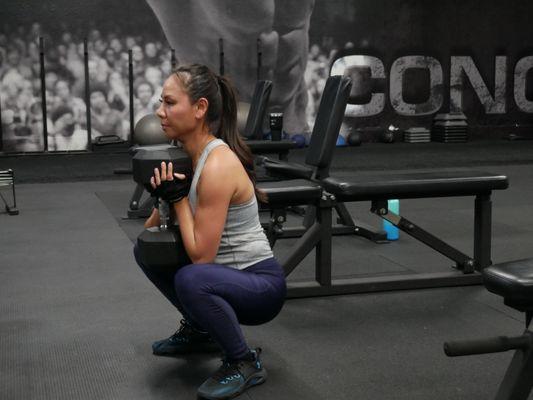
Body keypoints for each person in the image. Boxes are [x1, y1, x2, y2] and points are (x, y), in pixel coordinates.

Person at [133, 64, 286, 400]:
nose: (160, 111)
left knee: (192, 278)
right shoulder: (187, 155)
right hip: (225, 277)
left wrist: (178, 201)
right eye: (161, 102)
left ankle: (243, 362)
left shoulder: (217, 164)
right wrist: (163, 196)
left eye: (170, 103)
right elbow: (151, 230)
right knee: (145, 248)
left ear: (200, 109)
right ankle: (200, 329)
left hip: (260, 287)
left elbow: (202, 257)